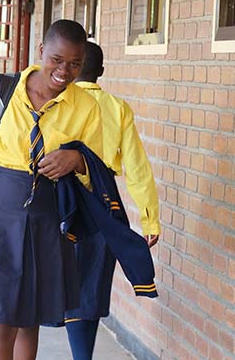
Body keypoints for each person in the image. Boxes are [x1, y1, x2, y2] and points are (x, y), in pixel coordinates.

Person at [0, 19, 103, 360]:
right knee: (1, 322)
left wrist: (76, 159)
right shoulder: (3, 90)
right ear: (41, 51)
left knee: (30, 320)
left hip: (47, 215)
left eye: (75, 64)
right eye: (57, 60)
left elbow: (98, 172)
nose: (64, 71)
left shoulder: (86, 107)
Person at [66, 41, 160, 360]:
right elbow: (137, 168)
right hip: (102, 203)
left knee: (48, 278)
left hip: (59, 198)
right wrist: (149, 219)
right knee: (89, 285)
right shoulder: (116, 107)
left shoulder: (57, 102)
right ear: (102, 72)